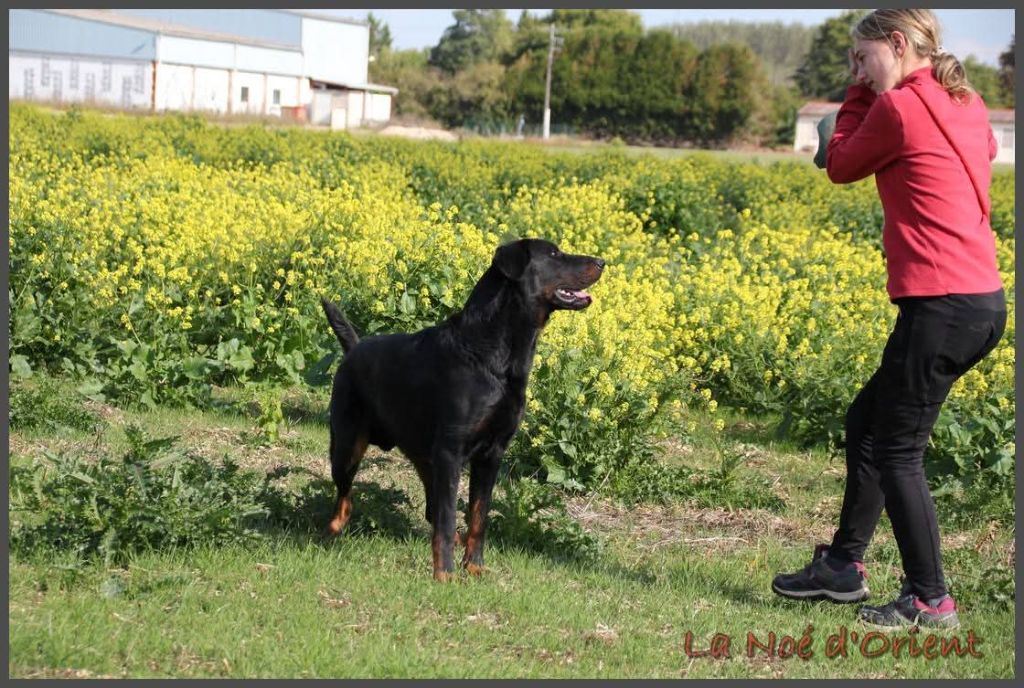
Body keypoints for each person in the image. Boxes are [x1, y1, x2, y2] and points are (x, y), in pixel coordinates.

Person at [772, 8, 1006, 630]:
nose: (860, 71)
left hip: (941, 305)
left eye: (863, 58)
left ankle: (930, 598)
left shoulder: (898, 107)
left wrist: (853, 96)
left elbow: (842, 163)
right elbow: (975, 152)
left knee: (898, 450)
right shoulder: (968, 100)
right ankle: (843, 567)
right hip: (980, 303)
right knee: (868, 424)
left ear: (897, 44)